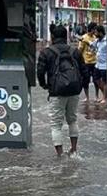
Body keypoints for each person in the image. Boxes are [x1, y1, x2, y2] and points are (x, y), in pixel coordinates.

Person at [36, 24, 84, 156]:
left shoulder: (46, 52)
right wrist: (79, 87)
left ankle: (60, 154)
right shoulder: (75, 51)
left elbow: (40, 72)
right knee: (72, 120)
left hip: (56, 92)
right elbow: (85, 72)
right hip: (74, 91)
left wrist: (45, 85)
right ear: (66, 36)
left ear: (52, 37)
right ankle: (73, 149)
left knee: (56, 124)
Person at [78, 23, 100, 106]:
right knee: (85, 81)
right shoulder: (84, 38)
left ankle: (97, 96)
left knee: (96, 80)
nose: (95, 31)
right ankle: (87, 97)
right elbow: (79, 50)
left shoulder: (95, 38)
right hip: (86, 62)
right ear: (91, 29)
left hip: (94, 62)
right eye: (94, 29)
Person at [92, 25, 107, 105]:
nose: (95, 33)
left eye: (96, 32)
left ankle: (105, 98)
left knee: (105, 82)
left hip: (105, 65)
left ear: (100, 32)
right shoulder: (97, 41)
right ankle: (105, 95)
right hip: (98, 64)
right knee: (96, 80)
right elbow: (92, 46)